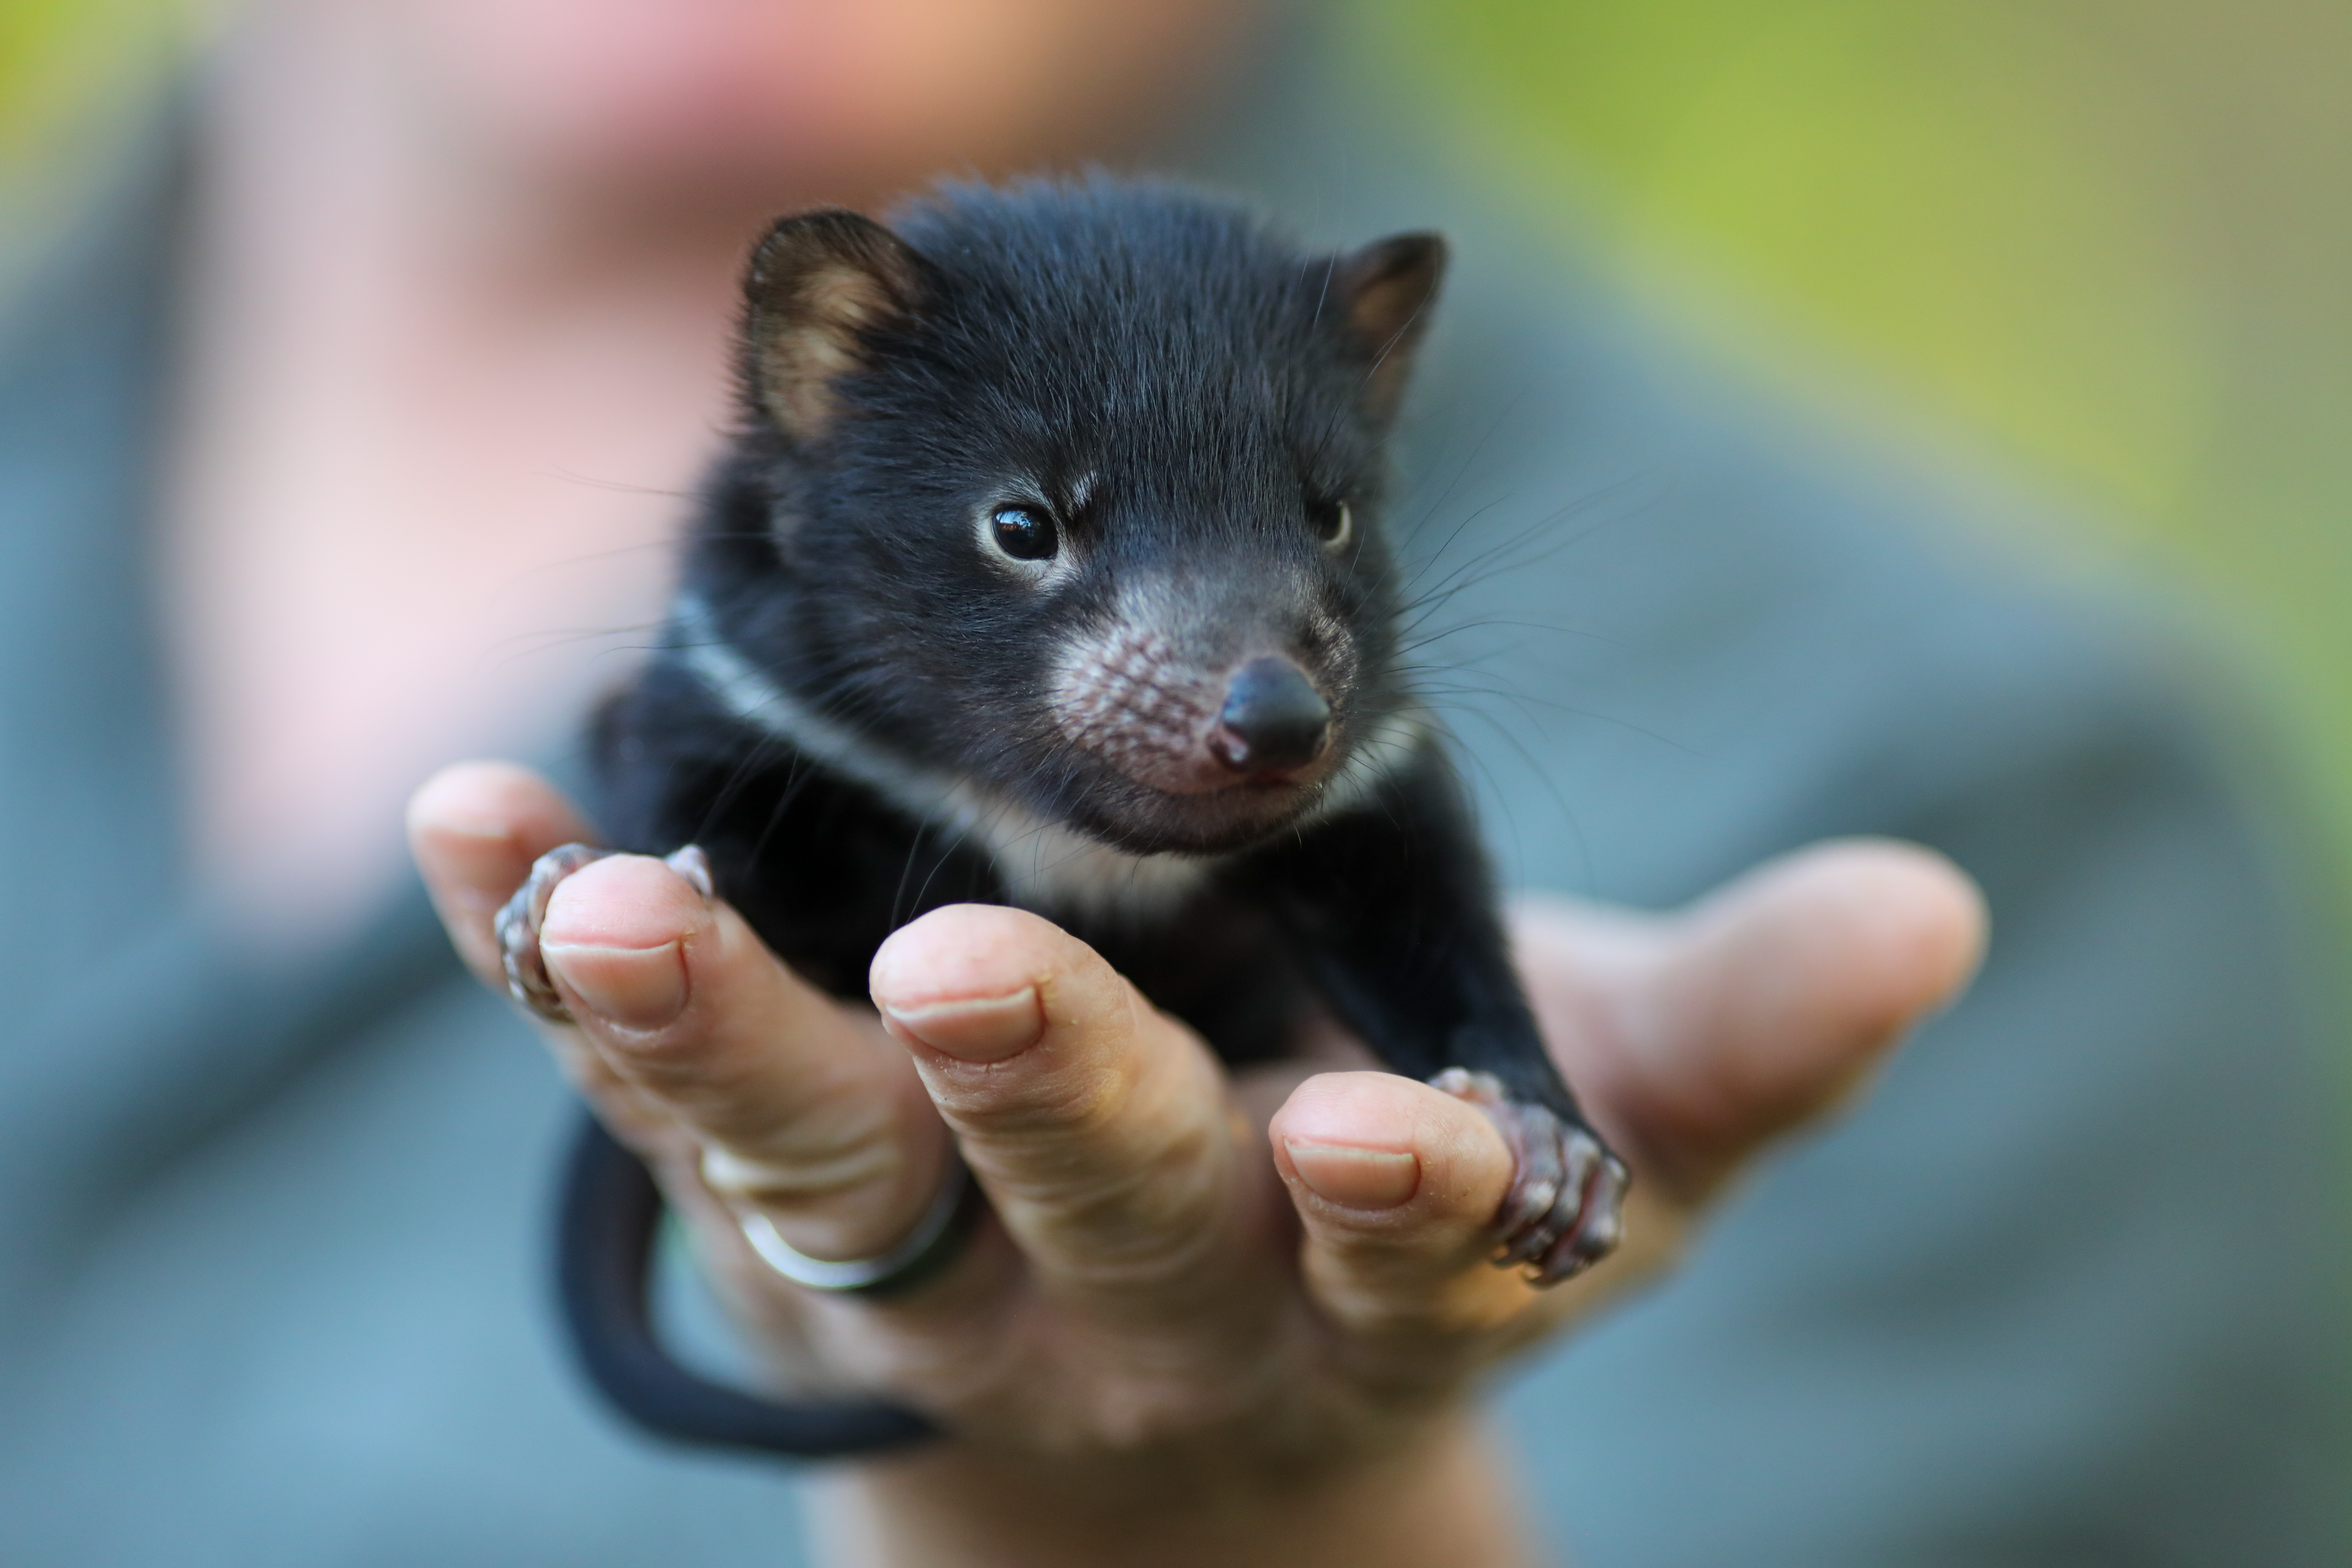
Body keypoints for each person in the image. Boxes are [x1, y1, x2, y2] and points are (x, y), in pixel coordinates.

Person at [0, 1, 2341, 1564]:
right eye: (1043, 541)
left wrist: (1251, 1529)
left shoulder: (1977, 792)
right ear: (821, 403)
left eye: (1317, 534)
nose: (1250, 699)